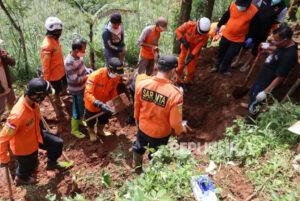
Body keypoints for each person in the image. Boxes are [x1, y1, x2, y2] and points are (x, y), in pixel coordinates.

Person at [0, 78, 64, 185]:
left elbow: (37, 119)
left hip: (37, 134)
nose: (46, 98)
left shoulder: (33, 103)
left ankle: (51, 163)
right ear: (35, 95)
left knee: (57, 143)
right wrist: (4, 158)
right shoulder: (17, 116)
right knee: (29, 165)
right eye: (45, 95)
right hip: (25, 148)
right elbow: (3, 138)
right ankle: (21, 178)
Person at [133, 54, 187, 173]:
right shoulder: (175, 94)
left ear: (157, 66)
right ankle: (153, 176)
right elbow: (175, 122)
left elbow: (137, 106)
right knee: (156, 155)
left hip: (142, 127)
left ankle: (137, 171)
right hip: (160, 133)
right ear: (173, 70)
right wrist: (180, 130)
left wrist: (137, 119)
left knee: (138, 147)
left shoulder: (142, 83)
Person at [247, 25, 298, 117]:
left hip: (267, 83)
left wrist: (265, 92)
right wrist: (268, 47)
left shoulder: (289, 57)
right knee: (253, 95)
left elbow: (280, 77)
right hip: (262, 77)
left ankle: (250, 118)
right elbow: (279, 49)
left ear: (285, 40)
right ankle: (250, 106)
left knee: (257, 102)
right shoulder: (286, 45)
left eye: (276, 40)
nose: (274, 42)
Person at [232, 0, 287, 72]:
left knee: (257, 47)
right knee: (246, 44)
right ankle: (238, 60)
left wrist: (267, 21)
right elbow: (254, 6)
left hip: (265, 29)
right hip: (253, 26)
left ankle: (247, 63)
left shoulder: (283, 8)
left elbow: (278, 20)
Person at [210, 0, 259, 77]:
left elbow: (254, 26)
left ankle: (223, 69)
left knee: (230, 55)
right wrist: (219, 25)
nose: (241, 7)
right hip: (226, 35)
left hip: (238, 39)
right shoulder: (233, 5)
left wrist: (251, 37)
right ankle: (216, 66)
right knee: (221, 52)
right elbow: (226, 15)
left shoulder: (254, 11)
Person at [84, 57, 124, 142]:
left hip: (106, 102)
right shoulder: (95, 76)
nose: (116, 75)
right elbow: (87, 93)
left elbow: (113, 90)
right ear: (109, 69)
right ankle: (91, 131)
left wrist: (115, 101)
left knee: (104, 118)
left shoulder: (116, 76)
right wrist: (98, 104)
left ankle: (100, 130)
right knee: (91, 120)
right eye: (115, 73)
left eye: (118, 74)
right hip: (93, 103)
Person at [41, 17, 67, 119]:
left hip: (61, 70)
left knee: (65, 83)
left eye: (59, 31)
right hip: (54, 75)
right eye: (56, 31)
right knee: (56, 89)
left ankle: (62, 93)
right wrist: (46, 80)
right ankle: (57, 100)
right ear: (50, 30)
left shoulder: (55, 40)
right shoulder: (47, 46)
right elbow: (45, 65)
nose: (58, 32)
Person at [64, 38, 88, 139]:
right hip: (76, 90)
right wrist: (87, 77)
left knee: (81, 107)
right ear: (77, 51)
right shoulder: (69, 62)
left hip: (82, 87)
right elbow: (74, 80)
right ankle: (74, 130)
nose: (84, 53)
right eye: (83, 51)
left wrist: (88, 71)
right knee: (77, 109)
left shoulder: (79, 57)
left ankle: (79, 121)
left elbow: (83, 68)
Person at [175, 17, 211, 84]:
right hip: (185, 50)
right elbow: (178, 31)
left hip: (193, 53)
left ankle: (187, 82)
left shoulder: (206, 36)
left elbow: (199, 46)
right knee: (180, 67)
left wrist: (192, 55)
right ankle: (178, 81)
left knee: (190, 71)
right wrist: (182, 40)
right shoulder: (189, 25)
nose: (200, 34)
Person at [0, 39, 16, 128]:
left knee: (11, 103)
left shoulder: (2, 53)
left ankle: (13, 121)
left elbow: (13, 62)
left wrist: (6, 57)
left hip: (7, 85)